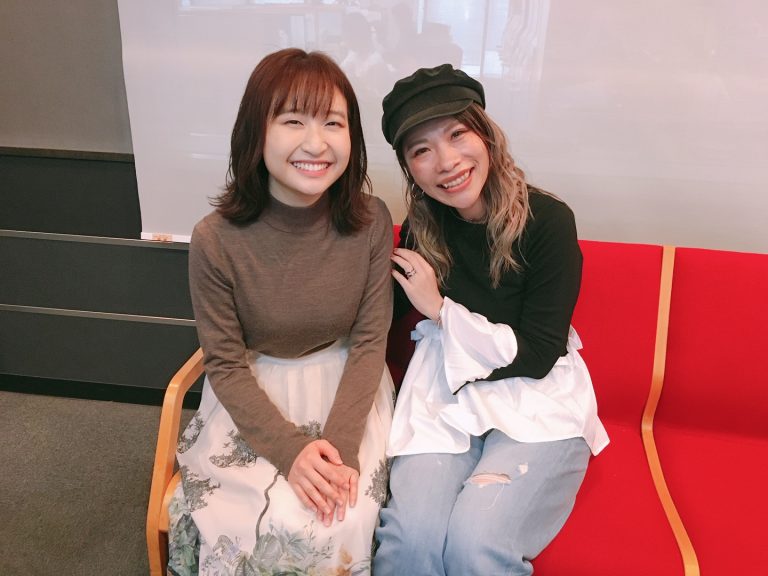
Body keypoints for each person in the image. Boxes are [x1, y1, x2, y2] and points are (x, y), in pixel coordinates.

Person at [373, 64, 610, 576]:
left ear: (486, 134)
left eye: (458, 134)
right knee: (410, 543)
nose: (447, 161)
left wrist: (440, 310)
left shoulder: (547, 221)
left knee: (474, 545)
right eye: (421, 150)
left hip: (537, 400)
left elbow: (539, 354)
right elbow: (374, 317)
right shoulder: (421, 230)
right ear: (410, 170)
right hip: (447, 399)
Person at [167, 48, 394, 576]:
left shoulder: (371, 220)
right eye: (293, 121)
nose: (316, 143)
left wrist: (337, 449)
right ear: (256, 132)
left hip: (349, 388)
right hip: (254, 393)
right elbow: (225, 364)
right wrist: (291, 453)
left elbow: (369, 342)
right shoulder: (214, 239)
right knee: (253, 523)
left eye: (333, 123)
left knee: (337, 519)